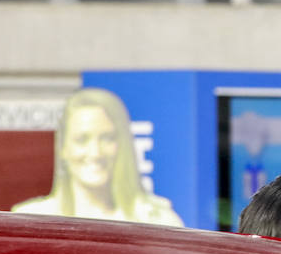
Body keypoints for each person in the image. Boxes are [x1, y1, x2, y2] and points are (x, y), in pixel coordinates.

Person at [13, 87, 183, 226]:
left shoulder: (159, 221)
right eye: (81, 140)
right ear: (63, 147)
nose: (95, 153)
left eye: (107, 138)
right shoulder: (31, 221)